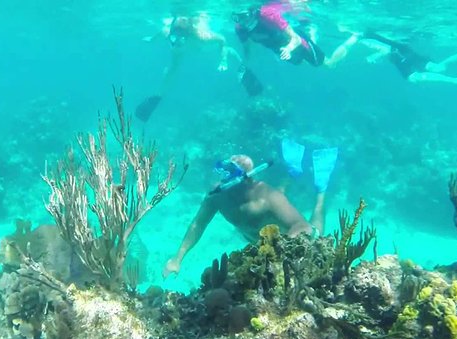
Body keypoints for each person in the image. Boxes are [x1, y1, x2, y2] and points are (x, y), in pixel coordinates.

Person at [163, 147, 337, 278]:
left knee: (316, 232)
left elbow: (302, 226)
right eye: (224, 174)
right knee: (280, 199)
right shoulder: (217, 196)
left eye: (230, 175)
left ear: (246, 179)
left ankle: (321, 190)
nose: (223, 181)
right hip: (258, 241)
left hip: (285, 241)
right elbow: (198, 224)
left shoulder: (268, 197)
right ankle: (292, 172)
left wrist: (279, 255)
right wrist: (177, 258)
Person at [136, 14, 240, 122]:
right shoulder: (167, 33)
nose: (175, 43)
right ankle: (158, 96)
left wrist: (223, 60)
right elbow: (160, 34)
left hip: (201, 49)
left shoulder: (202, 37)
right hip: (180, 52)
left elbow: (222, 39)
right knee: (172, 69)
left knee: (223, 50)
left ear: (188, 35)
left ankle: (233, 54)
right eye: (173, 38)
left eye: (180, 39)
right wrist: (151, 40)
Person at [360, 31, 457, 95]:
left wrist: (373, 56)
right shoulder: (378, 36)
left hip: (404, 60)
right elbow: (390, 47)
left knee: (414, 78)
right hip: (409, 55)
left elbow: (386, 50)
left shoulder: (368, 39)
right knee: (439, 67)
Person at [232, 1, 360, 69]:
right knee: (300, 62)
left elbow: (295, 39)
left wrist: (288, 49)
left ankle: (356, 36)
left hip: (295, 41)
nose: (244, 22)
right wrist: (246, 61)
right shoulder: (240, 28)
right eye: (238, 18)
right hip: (280, 49)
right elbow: (247, 46)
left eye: (245, 17)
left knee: (328, 64)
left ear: (252, 12)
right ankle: (313, 35)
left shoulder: (268, 15)